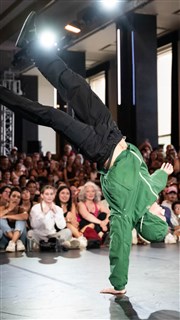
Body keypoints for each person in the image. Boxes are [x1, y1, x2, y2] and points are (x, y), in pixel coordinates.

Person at [0, 11, 174, 294]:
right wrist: (164, 172)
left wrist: (118, 284)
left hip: (99, 147)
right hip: (112, 131)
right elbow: (156, 179)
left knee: (52, 116)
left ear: (149, 218)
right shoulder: (150, 191)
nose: (158, 207)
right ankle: (33, 47)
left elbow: (120, 248)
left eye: (157, 213)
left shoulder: (125, 215)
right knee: (75, 84)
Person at [27, 185, 73, 250]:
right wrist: (43, 213)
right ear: (42, 195)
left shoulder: (58, 209)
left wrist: (56, 213)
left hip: (53, 236)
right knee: (30, 233)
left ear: (54, 196)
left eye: (51, 194)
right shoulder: (36, 208)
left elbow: (62, 226)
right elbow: (34, 225)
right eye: (47, 194)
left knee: (68, 231)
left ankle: (46, 246)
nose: (49, 196)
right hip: (39, 235)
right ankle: (54, 245)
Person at [0, 187, 28, 252]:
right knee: (1, 219)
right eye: (14, 196)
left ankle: (12, 242)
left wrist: (7, 216)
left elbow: (25, 216)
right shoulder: (2, 208)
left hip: (20, 243)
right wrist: (9, 209)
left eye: (18, 197)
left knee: (21, 219)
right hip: (6, 241)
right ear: (9, 197)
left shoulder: (21, 209)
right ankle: (15, 240)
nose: (16, 198)